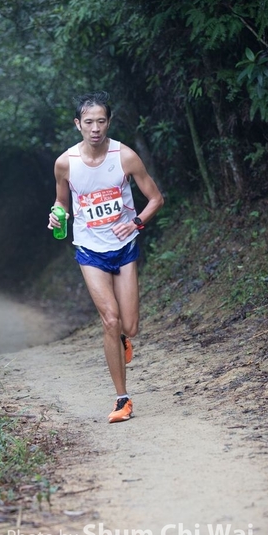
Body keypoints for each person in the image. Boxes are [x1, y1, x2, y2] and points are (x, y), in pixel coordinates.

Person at [48, 91, 164, 423]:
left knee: (130, 326)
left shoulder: (125, 157)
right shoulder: (65, 163)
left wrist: (136, 223)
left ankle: (123, 339)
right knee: (110, 320)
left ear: (109, 122)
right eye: (89, 122)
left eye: (101, 121)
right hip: (89, 249)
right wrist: (56, 215)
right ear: (78, 124)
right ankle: (122, 399)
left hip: (124, 248)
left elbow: (155, 198)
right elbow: (61, 202)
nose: (95, 128)